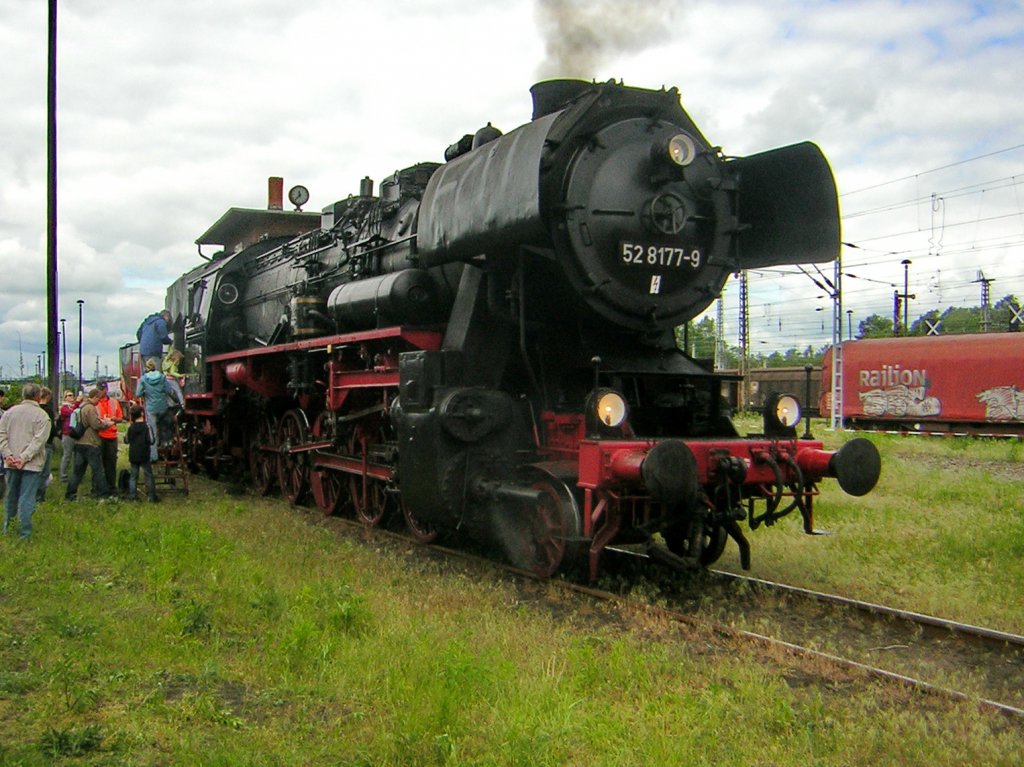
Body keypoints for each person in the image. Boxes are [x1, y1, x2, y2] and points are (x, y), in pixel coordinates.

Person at [0, 383, 53, 538]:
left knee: (11, 496)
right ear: (38, 396)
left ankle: (8, 528)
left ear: (23, 396)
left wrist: (8, 455)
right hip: (31, 464)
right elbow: (39, 441)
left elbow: (2, 435)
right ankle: (24, 533)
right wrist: (24, 458)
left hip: (10, 462)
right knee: (27, 497)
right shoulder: (42, 416)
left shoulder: (9, 413)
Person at [65, 388, 115, 501]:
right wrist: (107, 424)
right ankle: (104, 494)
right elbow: (96, 425)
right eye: (99, 398)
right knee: (98, 470)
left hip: (79, 443)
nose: (99, 401)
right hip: (91, 443)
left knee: (78, 472)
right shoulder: (90, 408)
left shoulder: (81, 407)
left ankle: (70, 493)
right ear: (95, 397)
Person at [135, 358, 174, 461]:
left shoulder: (143, 379)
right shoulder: (162, 377)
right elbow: (169, 390)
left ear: (147, 368)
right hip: (163, 407)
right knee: (164, 426)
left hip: (151, 408)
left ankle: (153, 456)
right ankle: (166, 445)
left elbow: (138, 393)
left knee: (152, 432)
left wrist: (146, 392)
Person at [124, 405, 158, 502]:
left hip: (133, 454)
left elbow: (126, 440)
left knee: (133, 476)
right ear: (142, 413)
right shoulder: (147, 426)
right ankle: (151, 496)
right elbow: (152, 440)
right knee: (148, 475)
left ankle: (132, 496)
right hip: (144, 453)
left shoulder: (131, 427)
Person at [96, 381, 124, 491]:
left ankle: (111, 486)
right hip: (100, 435)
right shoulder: (95, 403)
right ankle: (100, 487)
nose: (101, 392)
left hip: (111, 436)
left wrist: (113, 419)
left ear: (106, 390)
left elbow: (121, 418)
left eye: (102, 389)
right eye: (99, 389)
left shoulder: (114, 402)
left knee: (111, 463)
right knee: (100, 463)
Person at [35, 387, 58, 503]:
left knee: (35, 470)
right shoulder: (48, 411)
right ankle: (39, 497)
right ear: (48, 396)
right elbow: (52, 429)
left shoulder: (35, 409)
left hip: (35, 443)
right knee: (44, 472)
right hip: (47, 443)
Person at [58, 390, 80, 483]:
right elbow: (72, 413)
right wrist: (78, 402)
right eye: (69, 395)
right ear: (65, 397)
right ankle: (63, 476)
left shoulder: (75, 406)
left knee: (77, 456)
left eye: (72, 395)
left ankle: (76, 476)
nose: (72, 397)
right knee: (67, 455)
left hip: (76, 433)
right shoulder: (64, 408)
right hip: (67, 434)